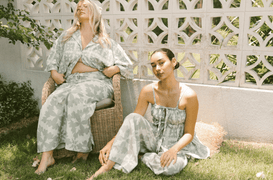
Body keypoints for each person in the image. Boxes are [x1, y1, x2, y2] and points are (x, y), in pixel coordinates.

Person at [35, 0, 133, 174]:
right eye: (78, 6)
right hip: (71, 82)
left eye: (85, 5)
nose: (80, 7)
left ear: (95, 12)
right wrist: (54, 73)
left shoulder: (104, 40)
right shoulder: (66, 37)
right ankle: (47, 156)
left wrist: (114, 69)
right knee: (52, 101)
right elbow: (53, 58)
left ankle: (82, 152)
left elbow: (127, 65)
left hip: (97, 82)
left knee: (77, 96)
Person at [88, 48, 209, 179]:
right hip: (154, 139)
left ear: (173, 62)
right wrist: (111, 143)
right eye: (153, 65)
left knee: (169, 168)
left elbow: (189, 133)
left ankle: (141, 156)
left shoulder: (189, 95)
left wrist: (173, 150)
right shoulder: (148, 91)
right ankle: (107, 166)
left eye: (161, 63)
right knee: (133, 116)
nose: (157, 68)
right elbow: (132, 122)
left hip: (176, 144)